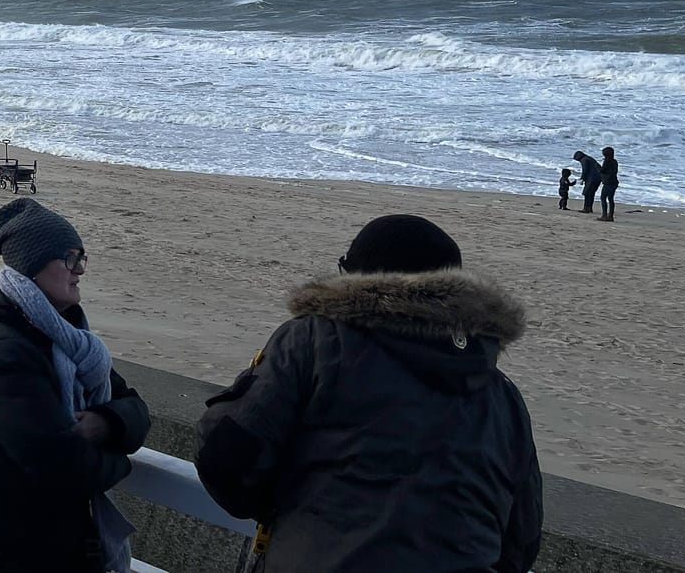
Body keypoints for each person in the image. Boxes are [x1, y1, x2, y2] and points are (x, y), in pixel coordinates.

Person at [195, 215, 541, 573]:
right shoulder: (503, 395)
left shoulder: (314, 341)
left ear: (356, 277)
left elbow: (227, 455)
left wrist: (286, 508)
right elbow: (521, 539)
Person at [0, 199, 150, 573]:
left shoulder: (71, 340)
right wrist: (120, 460)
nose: (79, 270)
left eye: (82, 257)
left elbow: (136, 408)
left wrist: (106, 423)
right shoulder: (2, 349)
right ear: (33, 266)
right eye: (69, 258)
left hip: (38, 542)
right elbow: (62, 465)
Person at [599, 146, 619, 222]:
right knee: (611, 199)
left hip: (608, 182)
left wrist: (598, 167)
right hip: (614, 182)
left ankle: (604, 215)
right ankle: (610, 215)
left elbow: (603, 170)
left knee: (603, 198)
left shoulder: (607, 161)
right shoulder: (614, 161)